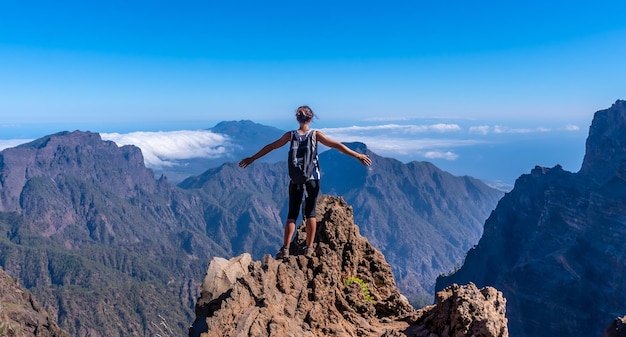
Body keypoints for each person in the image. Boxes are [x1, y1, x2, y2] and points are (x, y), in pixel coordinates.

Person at [238, 105, 372, 258]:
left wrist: (252, 158)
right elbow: (337, 145)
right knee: (310, 213)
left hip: (295, 179)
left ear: (297, 118)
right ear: (311, 118)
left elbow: (271, 147)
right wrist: (358, 155)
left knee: (292, 214)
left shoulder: (290, 135)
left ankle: (285, 249)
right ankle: (309, 248)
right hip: (312, 179)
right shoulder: (315, 135)